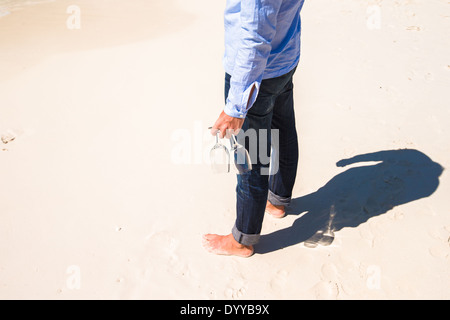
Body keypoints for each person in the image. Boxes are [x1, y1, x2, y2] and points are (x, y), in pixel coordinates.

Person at [203, 0, 305, 257]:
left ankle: (243, 240)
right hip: (285, 57)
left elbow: (255, 37)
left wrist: (236, 106)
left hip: (256, 76)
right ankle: (278, 201)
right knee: (283, 130)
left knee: (250, 159)